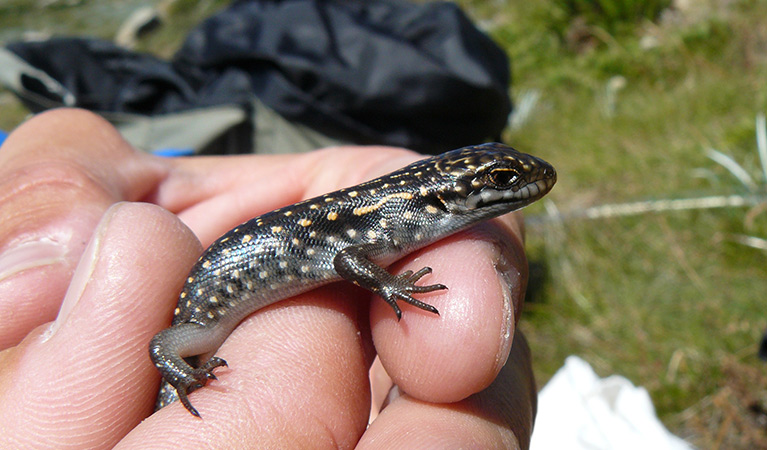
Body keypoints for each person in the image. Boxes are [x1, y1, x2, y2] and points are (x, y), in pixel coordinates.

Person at [0, 108, 536, 448]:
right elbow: (347, 262)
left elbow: (346, 259)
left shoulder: (396, 213)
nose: (521, 183)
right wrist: (391, 288)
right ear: (445, 196)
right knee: (176, 346)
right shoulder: (387, 219)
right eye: (501, 180)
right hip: (206, 314)